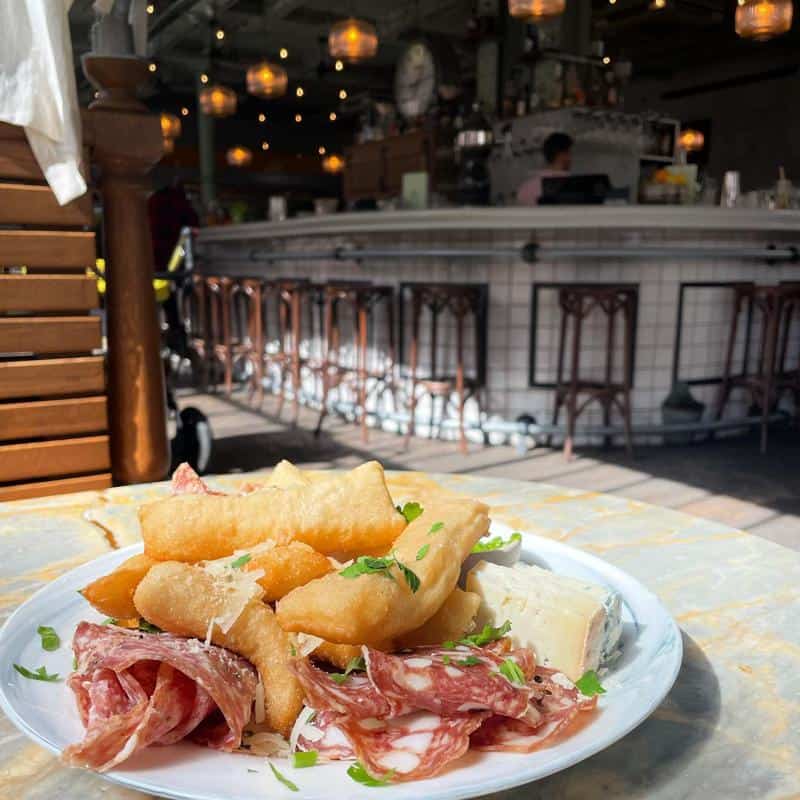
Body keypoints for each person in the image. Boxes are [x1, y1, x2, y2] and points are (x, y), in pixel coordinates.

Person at [517, 132, 573, 206]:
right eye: (570, 153)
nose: (571, 158)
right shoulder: (575, 186)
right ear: (563, 155)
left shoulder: (525, 189)